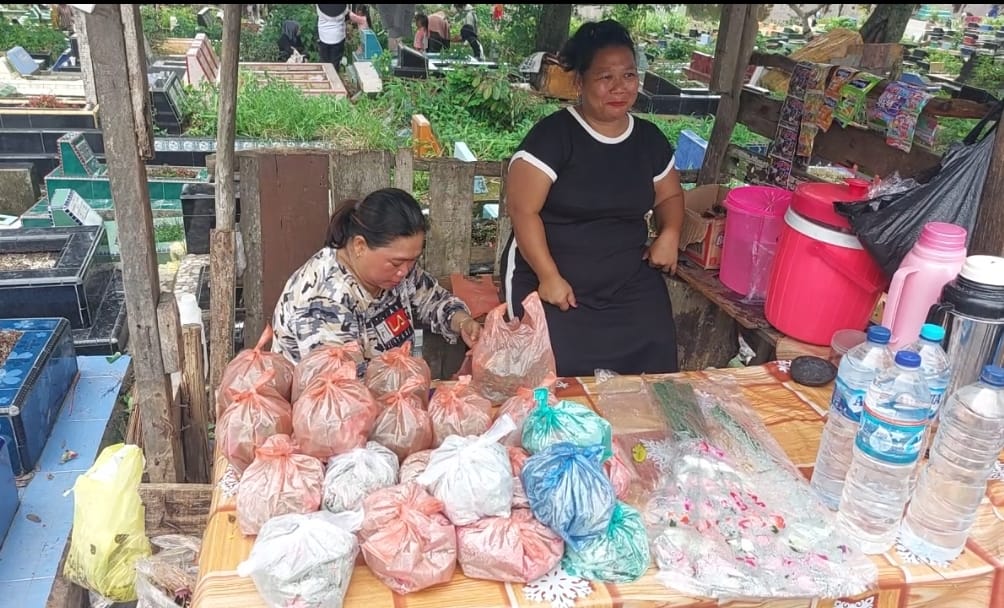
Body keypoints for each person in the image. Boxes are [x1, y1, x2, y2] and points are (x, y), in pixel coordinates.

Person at [499, 19, 685, 378]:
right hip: (551, 278)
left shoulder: (649, 139)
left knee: (655, 350)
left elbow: (670, 195)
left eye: (629, 75)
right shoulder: (552, 137)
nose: (620, 87)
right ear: (580, 82)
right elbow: (523, 211)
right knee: (555, 369)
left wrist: (670, 234)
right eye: (606, 77)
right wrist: (548, 276)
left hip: (625, 280)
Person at [272, 188, 483, 367]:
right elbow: (343, 391)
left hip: (392, 396)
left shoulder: (399, 272)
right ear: (360, 246)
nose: (405, 271)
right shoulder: (325, 301)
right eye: (396, 263)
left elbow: (434, 301)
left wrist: (463, 322)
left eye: (412, 261)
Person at [316, 4, 349, 69]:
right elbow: (346, 12)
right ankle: (334, 76)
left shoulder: (319, 8)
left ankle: (324, 76)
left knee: (324, 61)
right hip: (338, 36)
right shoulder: (344, 8)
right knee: (335, 62)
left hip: (323, 35)